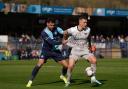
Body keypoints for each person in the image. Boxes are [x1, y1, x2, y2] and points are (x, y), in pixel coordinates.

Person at [26, 18, 68, 87]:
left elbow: (64, 33)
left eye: (53, 25)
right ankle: (30, 81)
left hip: (55, 51)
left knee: (66, 66)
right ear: (47, 24)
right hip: (46, 51)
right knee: (39, 64)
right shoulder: (44, 32)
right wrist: (62, 42)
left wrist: (68, 34)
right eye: (51, 25)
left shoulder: (57, 28)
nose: (52, 27)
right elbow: (51, 42)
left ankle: (62, 76)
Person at [63, 15, 102, 87]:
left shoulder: (88, 29)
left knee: (94, 61)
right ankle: (68, 81)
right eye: (84, 22)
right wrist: (64, 39)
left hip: (85, 49)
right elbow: (65, 32)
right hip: (75, 50)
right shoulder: (73, 30)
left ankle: (93, 77)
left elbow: (89, 38)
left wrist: (90, 46)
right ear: (80, 22)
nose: (86, 24)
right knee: (70, 66)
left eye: (86, 22)